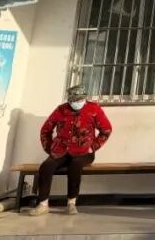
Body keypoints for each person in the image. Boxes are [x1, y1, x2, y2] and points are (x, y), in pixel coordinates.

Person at [29, 85, 112, 216]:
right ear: (69, 100)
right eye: (74, 100)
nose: (77, 103)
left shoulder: (93, 109)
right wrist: (50, 148)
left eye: (80, 100)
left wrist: (93, 146)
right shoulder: (61, 110)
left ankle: (71, 203)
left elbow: (106, 129)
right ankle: (43, 204)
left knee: (75, 166)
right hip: (61, 150)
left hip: (84, 151)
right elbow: (46, 130)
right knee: (46, 166)